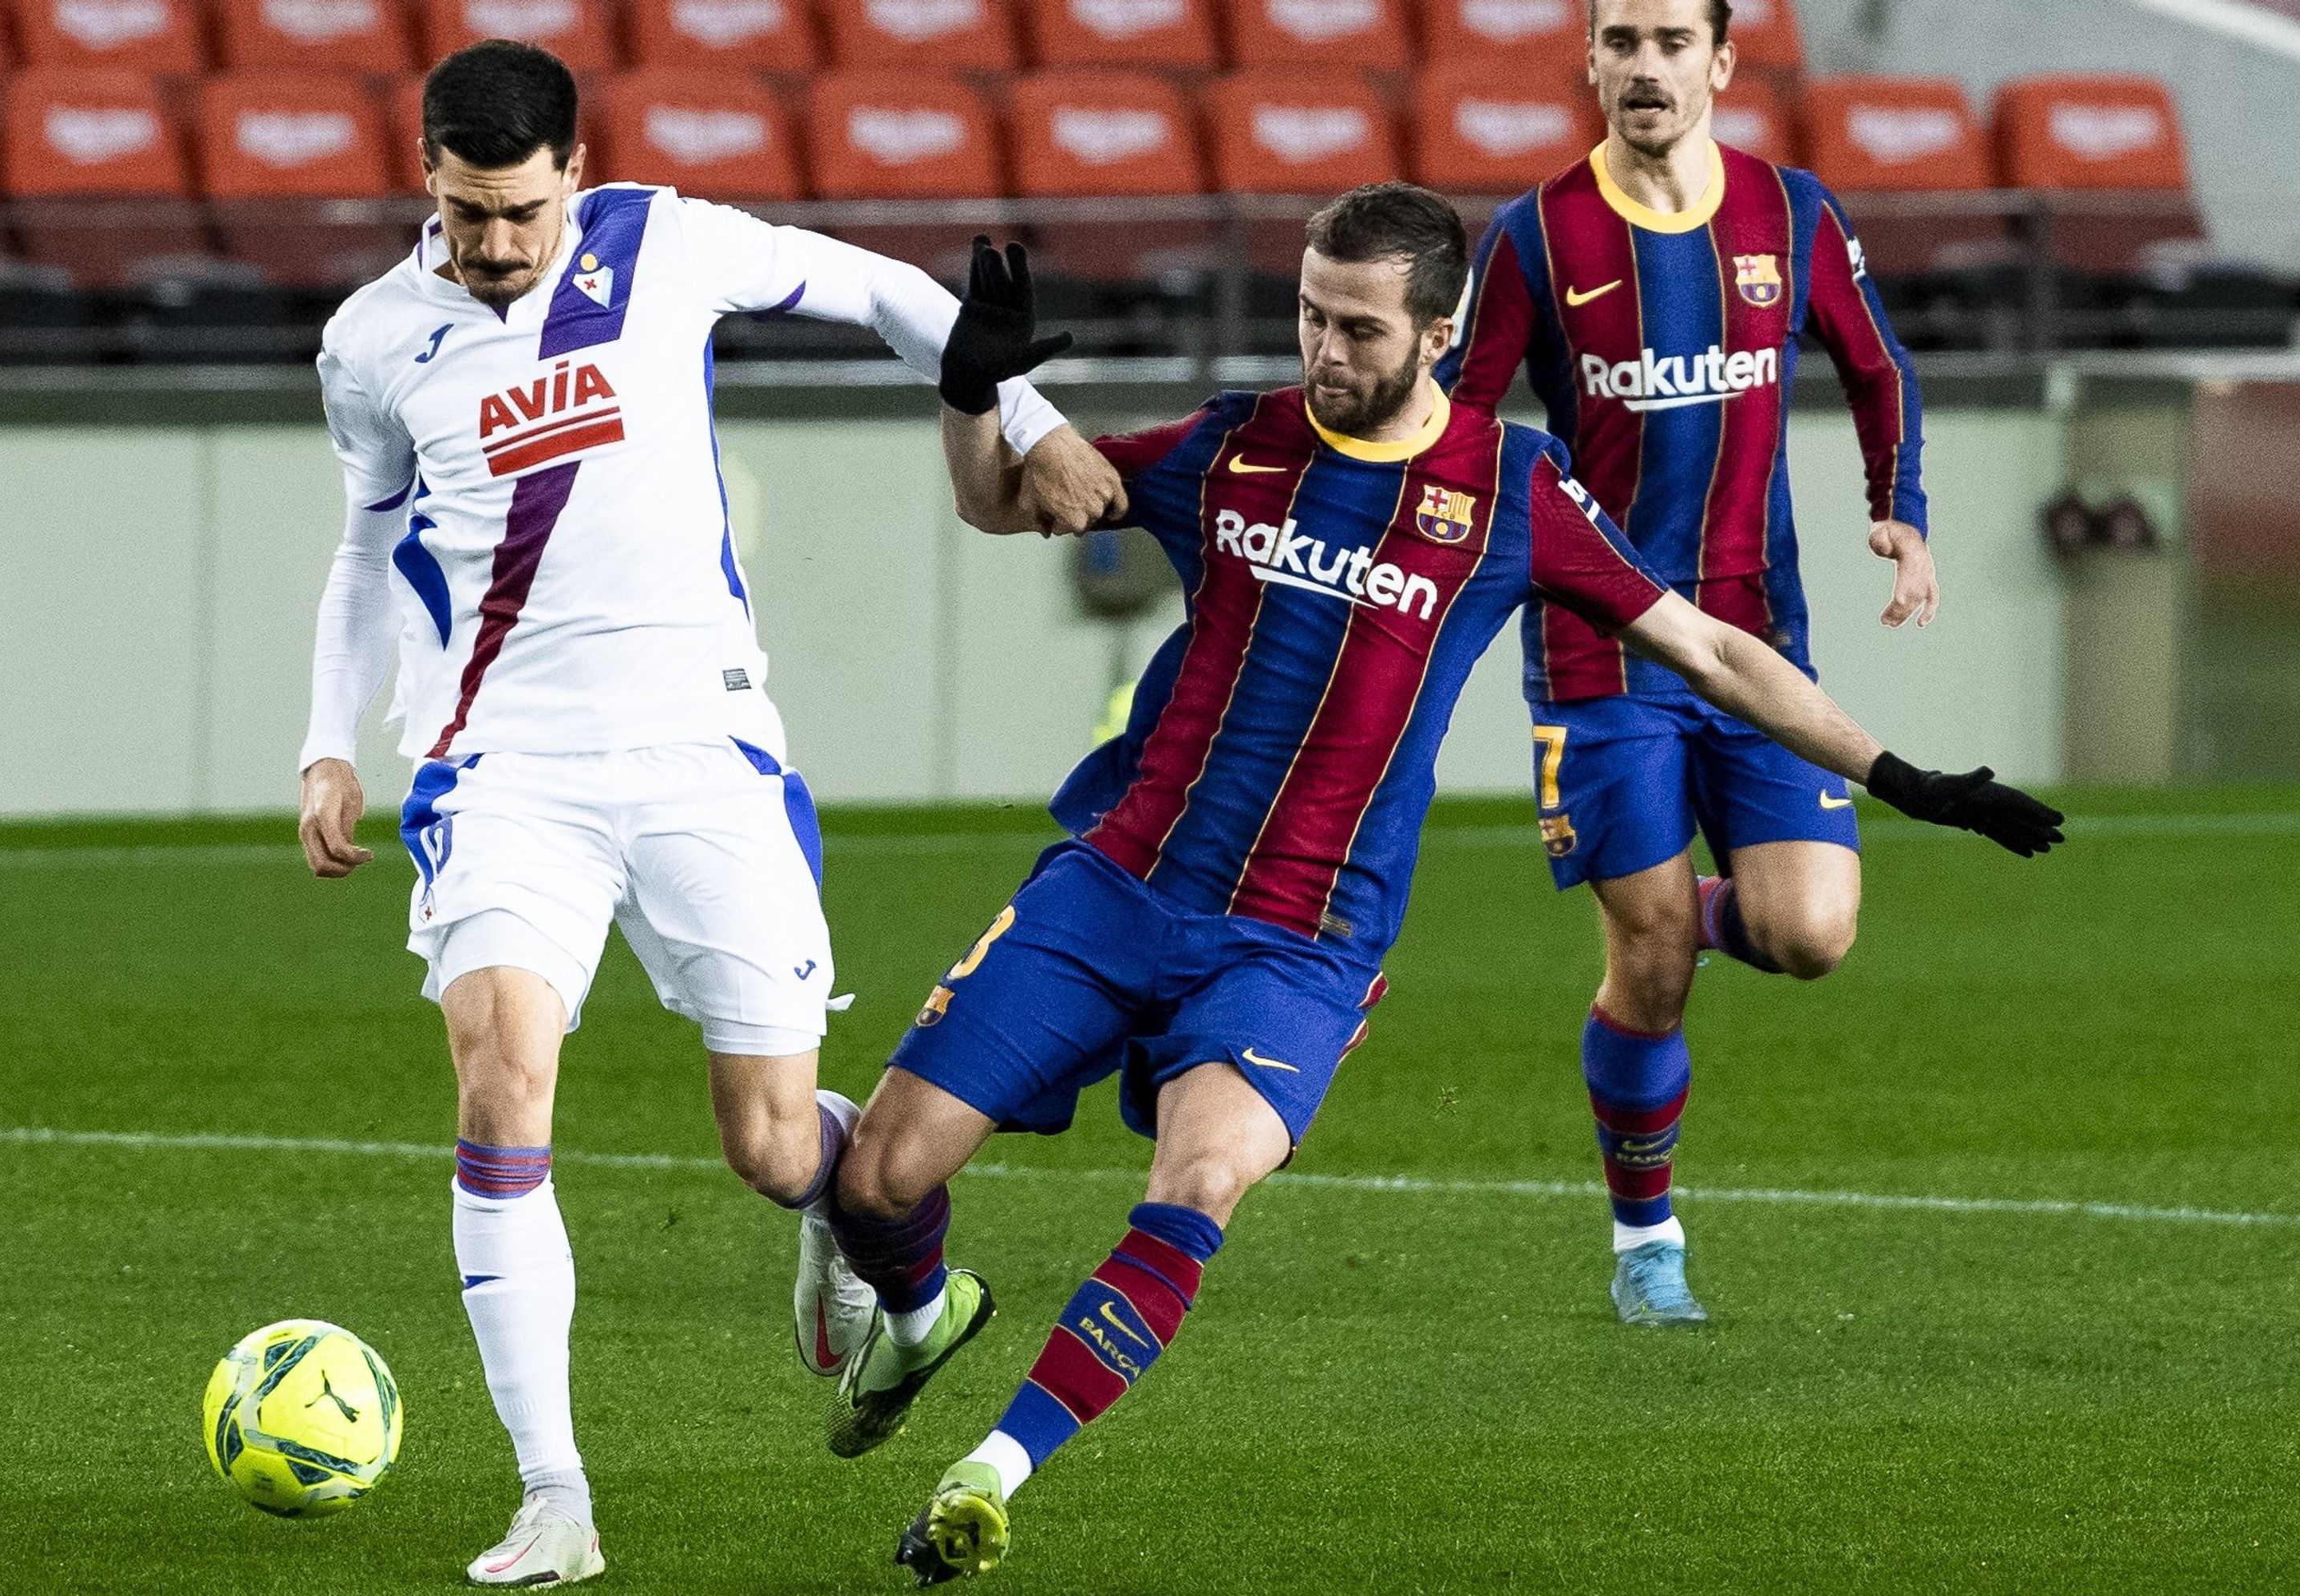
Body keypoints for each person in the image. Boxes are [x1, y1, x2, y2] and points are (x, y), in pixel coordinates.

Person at [822, 192, 2061, 1585]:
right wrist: (975, 393)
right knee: (875, 1177)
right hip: (1119, 885)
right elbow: (1004, 502)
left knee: (1202, 1179)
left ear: (1441, 330)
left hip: (1303, 942)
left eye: (1359, 327)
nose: (1326, 351)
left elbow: (1715, 653)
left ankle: (993, 1474)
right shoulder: (1235, 443)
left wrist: (1902, 778)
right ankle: (922, 1319)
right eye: (1309, 315)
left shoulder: (1513, 491)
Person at [292, 40, 1116, 1586]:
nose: (496, 245)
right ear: (428, 180)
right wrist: (327, 744)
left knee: (766, 1138)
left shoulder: (664, 246)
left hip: (699, 750)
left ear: (574, 182)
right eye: (468, 212)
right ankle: (555, 1498)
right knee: (499, 1082)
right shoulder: (370, 341)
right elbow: (365, 543)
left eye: (524, 211)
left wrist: (1028, 410)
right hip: (501, 766)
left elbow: (877, 287)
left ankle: (905, 1276)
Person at [1436, 0, 1944, 1323]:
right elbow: (1465, 428)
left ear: (1721, 63)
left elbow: (1880, 365)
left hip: (1759, 638)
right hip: (1599, 649)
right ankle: (1645, 1241)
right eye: (1622, 41)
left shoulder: (1793, 212)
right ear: (1590, 62)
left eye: (1671, 41)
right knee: (1650, 964)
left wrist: (1902, 509)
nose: (1645, 66)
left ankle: (1684, 904)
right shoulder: (1536, 237)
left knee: (1811, 935)